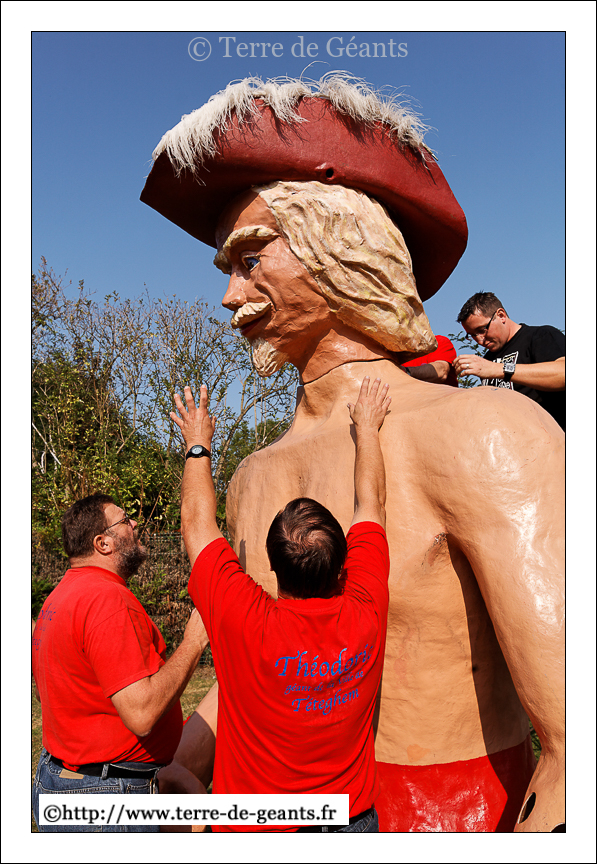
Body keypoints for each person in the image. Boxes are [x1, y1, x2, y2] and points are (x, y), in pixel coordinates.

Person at [141, 76, 564, 832]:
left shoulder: (487, 434)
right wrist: (190, 760)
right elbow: (265, 656)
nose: (230, 298)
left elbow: (572, 742)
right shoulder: (253, 478)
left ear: (341, 250)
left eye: (250, 259)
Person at [168, 379, 391, 833]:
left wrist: (197, 443)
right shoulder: (366, 610)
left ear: (271, 566)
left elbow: (196, 524)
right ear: (344, 567)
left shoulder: (245, 620)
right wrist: (367, 430)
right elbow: (372, 504)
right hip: (352, 823)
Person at [32, 493, 208, 832]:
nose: (135, 523)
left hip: (64, 780)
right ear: (103, 543)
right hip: (104, 796)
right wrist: (194, 642)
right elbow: (142, 714)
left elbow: (48, 692)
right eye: (125, 520)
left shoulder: (60, 597)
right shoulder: (108, 600)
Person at [454, 292, 565, 429]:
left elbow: (563, 373)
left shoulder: (541, 335)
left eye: (482, 330)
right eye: (472, 335)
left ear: (501, 315)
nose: (480, 340)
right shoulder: (488, 360)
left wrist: (499, 369)